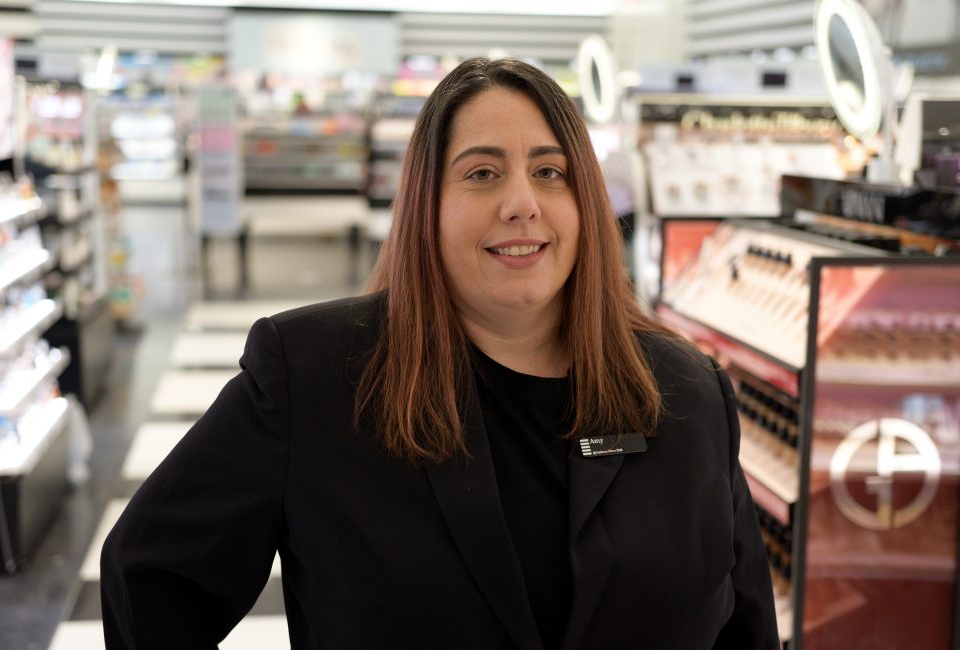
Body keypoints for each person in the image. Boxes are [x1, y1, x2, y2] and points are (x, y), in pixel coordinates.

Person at [101, 57, 779, 649]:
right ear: (426, 203)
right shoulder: (311, 376)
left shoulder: (689, 393)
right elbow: (151, 576)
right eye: (482, 173)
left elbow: (744, 626)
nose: (522, 203)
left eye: (550, 172)